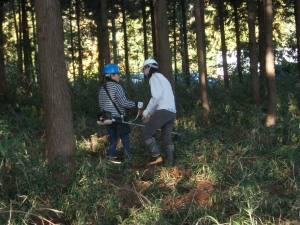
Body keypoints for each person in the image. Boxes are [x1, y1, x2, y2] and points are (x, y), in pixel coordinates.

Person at [99, 63, 143, 161]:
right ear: (111, 75)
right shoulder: (117, 87)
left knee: (113, 140)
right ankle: (128, 161)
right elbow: (123, 103)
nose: (119, 76)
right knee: (125, 139)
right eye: (117, 74)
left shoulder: (102, 89)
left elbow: (101, 105)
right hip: (119, 118)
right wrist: (136, 104)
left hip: (107, 118)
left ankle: (111, 161)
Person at [141, 59, 176, 166]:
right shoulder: (163, 78)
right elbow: (162, 98)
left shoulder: (154, 78)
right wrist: (151, 114)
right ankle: (171, 163)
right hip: (172, 112)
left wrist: (146, 111)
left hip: (163, 112)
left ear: (148, 68)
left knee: (146, 133)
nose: (144, 72)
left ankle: (156, 158)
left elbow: (156, 97)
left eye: (144, 69)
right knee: (166, 139)